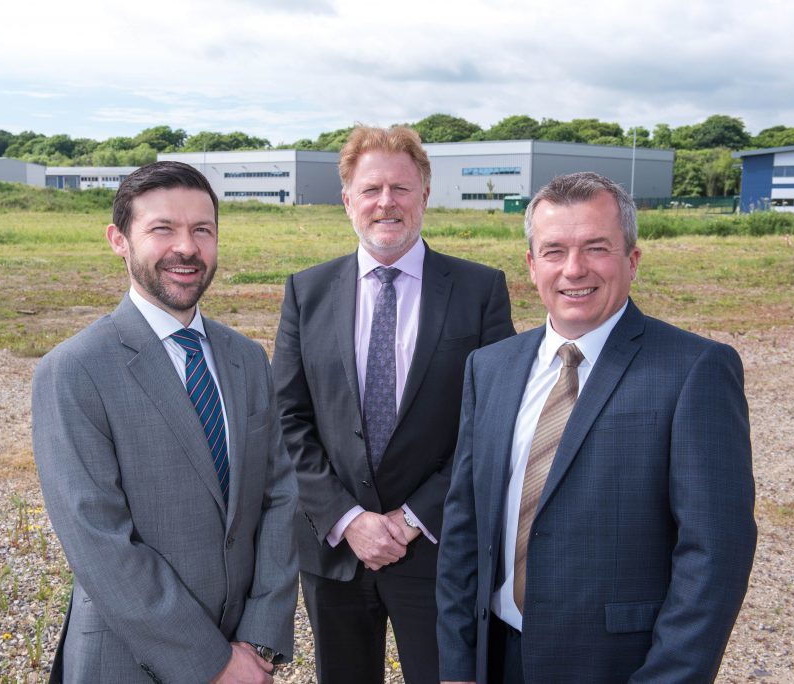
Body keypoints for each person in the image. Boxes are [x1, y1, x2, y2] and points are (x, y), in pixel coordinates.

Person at [437, 172, 757, 683]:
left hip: (615, 666)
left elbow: (715, 553)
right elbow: (464, 529)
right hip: (495, 659)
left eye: (596, 247)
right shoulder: (490, 367)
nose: (574, 269)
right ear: (530, 264)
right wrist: (456, 666)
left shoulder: (694, 369)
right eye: (554, 250)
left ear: (631, 260)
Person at [32, 161, 298, 684]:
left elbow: (279, 496)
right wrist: (217, 663)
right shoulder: (75, 369)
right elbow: (100, 542)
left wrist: (259, 640)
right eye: (163, 229)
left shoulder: (245, 357)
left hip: (248, 653)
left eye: (203, 230)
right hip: (128, 662)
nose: (187, 247)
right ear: (119, 240)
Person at [272, 125, 515, 683]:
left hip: (436, 548)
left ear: (425, 195)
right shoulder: (306, 293)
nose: (387, 202)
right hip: (336, 550)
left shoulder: (479, 291)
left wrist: (410, 519)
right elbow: (287, 419)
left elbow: (492, 422)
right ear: (347, 200)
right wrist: (348, 518)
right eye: (372, 189)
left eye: (402, 189)